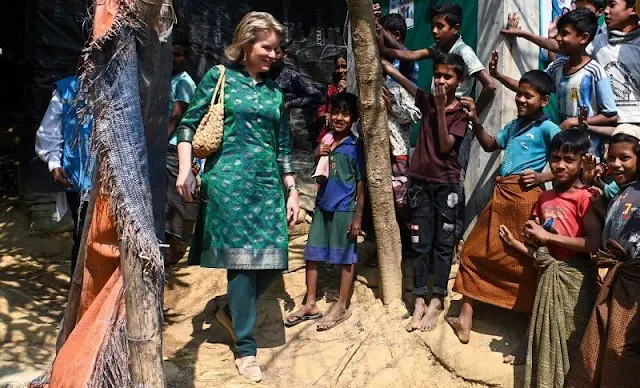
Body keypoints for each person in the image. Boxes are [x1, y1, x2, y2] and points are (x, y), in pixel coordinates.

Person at [174, 12, 299, 383]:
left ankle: (230, 311)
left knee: (274, 260)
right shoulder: (220, 78)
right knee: (243, 265)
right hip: (229, 184)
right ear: (246, 44)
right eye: (266, 47)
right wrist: (185, 169)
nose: (273, 55)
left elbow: (283, 146)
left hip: (267, 189)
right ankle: (246, 348)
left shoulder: (275, 92)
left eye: (277, 49)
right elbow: (187, 125)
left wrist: (291, 189)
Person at [447, 70, 560, 364]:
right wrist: (474, 120)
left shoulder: (548, 128)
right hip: (502, 197)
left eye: (528, 95)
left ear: (544, 100)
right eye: (519, 93)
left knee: (522, 264)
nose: (520, 99)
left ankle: (526, 340)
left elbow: (566, 159)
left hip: (526, 202)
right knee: (472, 251)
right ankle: (465, 319)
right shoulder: (514, 126)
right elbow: (488, 144)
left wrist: (542, 175)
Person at [499, 128, 601, 387]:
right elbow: (543, 255)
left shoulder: (585, 198)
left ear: (581, 162)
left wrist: (549, 239)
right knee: (547, 343)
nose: (560, 165)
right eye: (555, 158)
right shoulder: (544, 198)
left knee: (571, 344)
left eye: (569, 160)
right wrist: (520, 242)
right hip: (548, 279)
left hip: (575, 282)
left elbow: (593, 242)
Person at [382, 53, 470, 332]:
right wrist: (384, 63)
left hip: (446, 185)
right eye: (438, 75)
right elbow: (402, 78)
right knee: (420, 242)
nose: (441, 81)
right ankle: (419, 299)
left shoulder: (460, 113)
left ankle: (437, 300)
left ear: (459, 81)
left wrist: (442, 108)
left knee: (443, 246)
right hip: (419, 182)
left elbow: (445, 147)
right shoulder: (426, 99)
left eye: (448, 76)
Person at [566, 124, 640, 387]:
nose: (616, 164)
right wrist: (592, 182)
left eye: (625, 158)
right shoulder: (620, 191)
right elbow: (608, 215)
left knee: (621, 349)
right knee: (601, 344)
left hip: (632, 285)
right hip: (612, 278)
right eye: (611, 157)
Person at [492, 8, 619, 159]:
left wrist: (576, 121)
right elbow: (530, 89)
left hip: (587, 155)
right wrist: (497, 75)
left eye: (564, 34)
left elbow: (611, 116)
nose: (558, 38)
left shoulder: (594, 72)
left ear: (583, 38)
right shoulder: (557, 66)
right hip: (563, 151)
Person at [285, 92, 365, 331]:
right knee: (312, 254)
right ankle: (310, 303)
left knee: (345, 257)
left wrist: (358, 216)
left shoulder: (355, 147)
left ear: (354, 117)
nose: (339, 118)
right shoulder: (326, 141)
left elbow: (362, 182)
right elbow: (319, 169)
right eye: (336, 112)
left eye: (346, 113)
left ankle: (341, 306)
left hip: (344, 209)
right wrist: (317, 153)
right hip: (322, 206)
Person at [35, 75, 92, 277]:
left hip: (116, 182)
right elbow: (49, 131)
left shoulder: (124, 84)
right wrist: (54, 162)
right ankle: (78, 298)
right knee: (83, 237)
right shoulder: (68, 88)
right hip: (79, 178)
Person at [165, 39, 197, 266]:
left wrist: (161, 140)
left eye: (179, 55)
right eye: (172, 54)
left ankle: (174, 248)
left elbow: (177, 117)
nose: (175, 59)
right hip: (163, 145)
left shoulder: (184, 83)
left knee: (174, 197)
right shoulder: (166, 79)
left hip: (175, 146)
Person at [588, 0, 640, 126]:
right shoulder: (597, 42)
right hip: (605, 122)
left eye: (612, 5)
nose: (606, 11)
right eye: (606, 5)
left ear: (633, 9)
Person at [500, 0, 607, 62]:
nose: (582, 14)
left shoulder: (601, 41)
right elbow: (555, 54)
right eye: (578, 10)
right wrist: (521, 33)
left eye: (586, 10)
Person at [272, 42, 323, 109]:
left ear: (284, 54)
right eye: (269, 51)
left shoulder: (291, 75)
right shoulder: (260, 73)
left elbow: (316, 95)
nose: (272, 55)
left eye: (277, 53)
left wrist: (290, 103)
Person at [377, 11, 420, 85]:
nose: (381, 39)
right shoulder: (387, 60)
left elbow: (405, 55)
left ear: (397, 35)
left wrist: (381, 30)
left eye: (383, 35)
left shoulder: (407, 60)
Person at [316, 55, 348, 142]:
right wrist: (326, 115)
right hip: (330, 134)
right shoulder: (331, 88)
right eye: (338, 67)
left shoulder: (358, 88)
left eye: (344, 67)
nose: (341, 71)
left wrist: (347, 90)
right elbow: (320, 112)